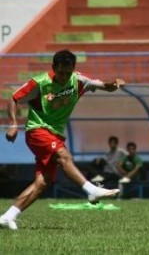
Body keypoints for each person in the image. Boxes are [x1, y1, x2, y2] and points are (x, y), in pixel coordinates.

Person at [0, 49, 125, 230]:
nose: (64, 77)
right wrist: (13, 124)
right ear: (53, 68)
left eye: (68, 72)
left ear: (73, 69)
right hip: (38, 131)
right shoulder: (40, 82)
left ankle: (7, 216)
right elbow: (14, 98)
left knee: (43, 182)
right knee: (63, 155)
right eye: (61, 73)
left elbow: (105, 86)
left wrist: (116, 84)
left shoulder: (79, 80)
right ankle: (92, 190)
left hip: (55, 133)